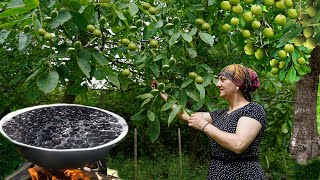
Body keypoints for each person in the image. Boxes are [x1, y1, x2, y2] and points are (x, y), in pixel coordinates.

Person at [156, 64, 266, 180]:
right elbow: (185, 115)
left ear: (237, 84)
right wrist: (161, 93)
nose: (218, 84)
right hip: (216, 174)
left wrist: (205, 126)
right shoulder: (219, 115)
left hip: (244, 175)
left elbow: (238, 144)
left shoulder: (253, 109)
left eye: (223, 80)